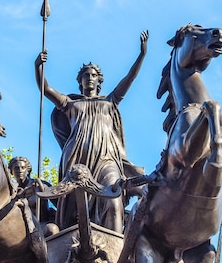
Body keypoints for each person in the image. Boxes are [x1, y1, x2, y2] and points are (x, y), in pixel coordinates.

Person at [35, 30, 148, 232]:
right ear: (80, 81)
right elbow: (45, 88)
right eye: (85, 75)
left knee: (114, 198)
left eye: (93, 75)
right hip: (77, 160)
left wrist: (142, 54)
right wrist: (38, 67)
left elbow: (129, 78)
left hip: (107, 159)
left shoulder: (109, 101)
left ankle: (114, 253)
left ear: (99, 80)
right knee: (71, 212)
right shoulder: (70, 104)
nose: (89, 78)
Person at [8, 156, 58, 236]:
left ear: (28, 170)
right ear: (11, 171)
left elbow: (59, 202)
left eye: (23, 168)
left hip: (41, 225)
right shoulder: (10, 192)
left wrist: (43, 190)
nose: (20, 170)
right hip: (22, 230)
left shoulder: (40, 185)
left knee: (52, 229)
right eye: (16, 168)